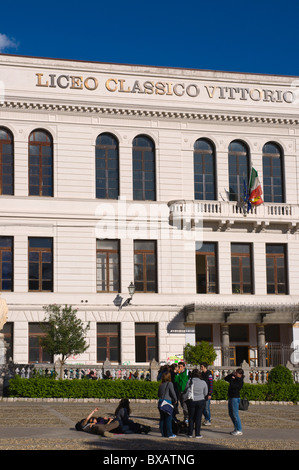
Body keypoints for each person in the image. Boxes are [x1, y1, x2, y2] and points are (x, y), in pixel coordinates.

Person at [184, 369, 208, 438]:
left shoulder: (190, 381)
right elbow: (206, 393)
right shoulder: (203, 382)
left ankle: (190, 433)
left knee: (191, 417)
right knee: (198, 418)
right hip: (200, 400)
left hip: (192, 400)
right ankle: (197, 433)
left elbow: (186, 390)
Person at [224, 368, 244, 436]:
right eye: (235, 373)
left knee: (235, 414)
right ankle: (236, 428)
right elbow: (225, 378)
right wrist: (231, 375)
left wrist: (232, 379)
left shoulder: (240, 381)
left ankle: (239, 429)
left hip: (235, 398)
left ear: (240, 374)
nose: (235, 374)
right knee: (231, 414)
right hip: (231, 397)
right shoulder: (234, 377)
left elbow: (233, 386)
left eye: (237, 373)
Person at [158, 371, 178, 438]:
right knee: (168, 419)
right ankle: (170, 433)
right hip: (167, 402)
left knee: (162, 419)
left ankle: (163, 433)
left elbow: (158, 394)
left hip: (160, 402)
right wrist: (175, 399)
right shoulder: (170, 384)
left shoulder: (161, 384)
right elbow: (172, 392)